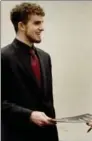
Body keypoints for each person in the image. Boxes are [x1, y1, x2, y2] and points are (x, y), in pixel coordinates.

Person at [1, 2, 59, 141]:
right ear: (21, 25)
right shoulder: (4, 57)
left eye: (42, 23)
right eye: (37, 23)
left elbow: (47, 102)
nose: (42, 28)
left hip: (47, 135)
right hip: (18, 135)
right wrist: (29, 115)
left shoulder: (45, 57)